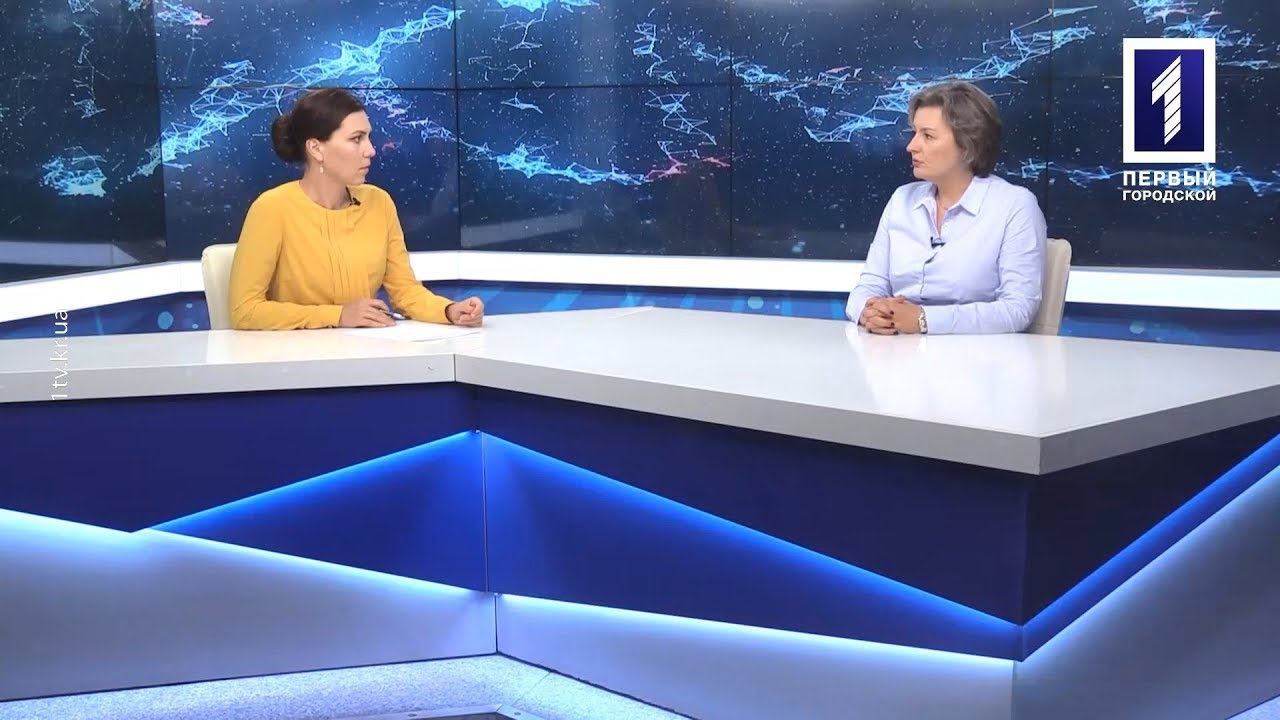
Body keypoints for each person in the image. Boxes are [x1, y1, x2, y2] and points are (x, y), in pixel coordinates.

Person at [227, 88, 484, 330]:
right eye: (356, 139)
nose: (371, 150)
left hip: (364, 351)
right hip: (295, 357)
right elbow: (245, 311)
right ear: (316, 148)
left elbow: (406, 291)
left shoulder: (379, 203)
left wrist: (449, 310)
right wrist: (337, 315)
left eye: (368, 137)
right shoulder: (272, 209)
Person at [847, 81, 1046, 335]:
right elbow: (868, 286)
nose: (911, 146)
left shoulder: (1014, 206)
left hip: (977, 356)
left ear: (968, 145)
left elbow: (1018, 309)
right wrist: (869, 311)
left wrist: (924, 320)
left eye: (928, 136)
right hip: (895, 349)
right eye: (914, 133)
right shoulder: (901, 200)